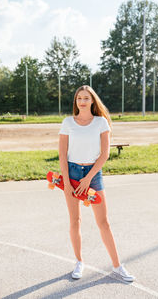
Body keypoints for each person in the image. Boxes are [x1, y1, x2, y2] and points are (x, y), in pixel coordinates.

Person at [58, 85, 135, 282]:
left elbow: (105, 154)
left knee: (104, 222)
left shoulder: (101, 122)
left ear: (93, 101)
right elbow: (62, 155)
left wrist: (88, 178)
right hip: (72, 174)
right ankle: (79, 262)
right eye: (79, 98)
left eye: (86, 98)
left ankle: (117, 266)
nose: (82, 101)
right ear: (75, 101)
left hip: (93, 175)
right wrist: (67, 182)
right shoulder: (68, 122)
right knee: (75, 221)